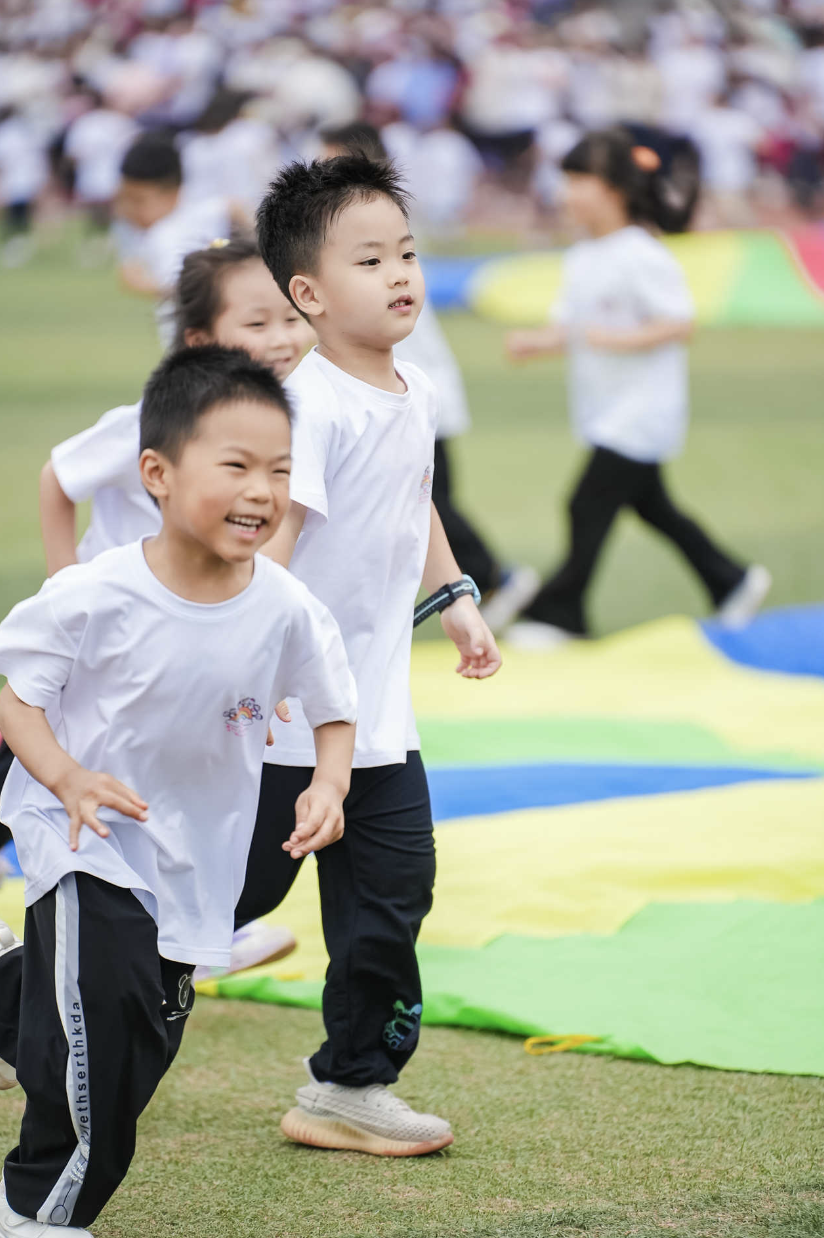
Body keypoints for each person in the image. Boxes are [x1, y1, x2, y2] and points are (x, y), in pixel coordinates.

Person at [0, 345, 357, 1236]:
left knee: (137, 1042)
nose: (261, 490)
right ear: (155, 474)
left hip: (195, 860)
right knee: (99, 1039)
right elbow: (18, 700)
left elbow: (334, 706)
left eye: (278, 468)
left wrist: (329, 785)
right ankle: (38, 1211)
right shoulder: (93, 596)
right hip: (82, 837)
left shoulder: (285, 605)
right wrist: (68, 778)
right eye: (234, 465)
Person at [239, 153, 501, 1157]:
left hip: (377, 716)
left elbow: (412, 495)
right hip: (283, 718)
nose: (400, 273)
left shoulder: (410, 385)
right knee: (231, 899)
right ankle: (35, 983)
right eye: (368, 258)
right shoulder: (309, 403)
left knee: (395, 889)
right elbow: (277, 544)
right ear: (307, 292)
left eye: (405, 252)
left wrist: (456, 595)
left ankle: (347, 1083)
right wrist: (252, 685)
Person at [34, 237, 315, 981]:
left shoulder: (289, 421)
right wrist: (65, 586)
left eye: (291, 317)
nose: (282, 338)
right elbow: (58, 477)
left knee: (197, 804)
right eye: (256, 324)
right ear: (198, 340)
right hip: (110, 650)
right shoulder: (153, 421)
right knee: (49, 781)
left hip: (194, 659)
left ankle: (194, 930)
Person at [506, 127, 771, 649]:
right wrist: (536, 343)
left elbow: (680, 323)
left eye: (578, 180)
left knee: (584, 504)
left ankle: (560, 613)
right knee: (655, 509)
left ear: (614, 190)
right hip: (603, 408)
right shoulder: (583, 255)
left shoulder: (640, 253)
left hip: (642, 410)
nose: (565, 193)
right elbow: (572, 327)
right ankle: (732, 580)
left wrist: (613, 339)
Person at [319, 121, 538, 631]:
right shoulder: (361, 228)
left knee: (424, 502)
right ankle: (490, 581)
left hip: (413, 389)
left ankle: (497, 579)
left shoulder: (368, 230)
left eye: (332, 165)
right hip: (400, 387)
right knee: (423, 501)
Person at [113, 132, 247, 344]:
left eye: (138, 200)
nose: (129, 210)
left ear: (172, 191)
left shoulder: (175, 227)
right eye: (124, 199)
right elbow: (130, 276)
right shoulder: (148, 233)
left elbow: (235, 208)